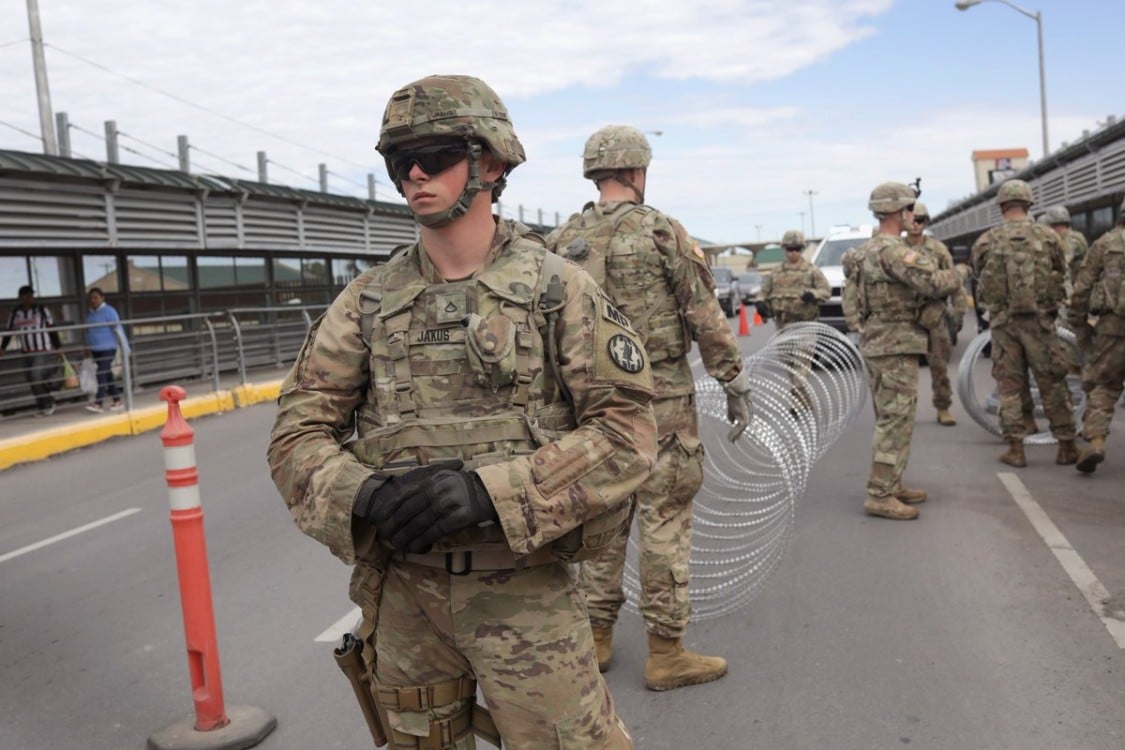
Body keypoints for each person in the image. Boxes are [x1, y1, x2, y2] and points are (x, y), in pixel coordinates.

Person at [268, 75, 659, 750]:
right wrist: (362, 494)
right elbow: (295, 432)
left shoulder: (557, 289)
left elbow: (626, 433)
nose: (415, 173)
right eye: (399, 161)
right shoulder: (367, 301)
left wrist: (490, 492)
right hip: (404, 600)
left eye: (437, 153)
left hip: (526, 596)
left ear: (492, 162)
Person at [545, 125, 754, 691]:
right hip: (659, 394)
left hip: (588, 401)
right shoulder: (661, 231)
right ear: (638, 172)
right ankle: (666, 653)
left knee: (602, 519)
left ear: (594, 172)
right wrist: (732, 379)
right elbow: (703, 313)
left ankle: (597, 638)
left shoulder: (562, 241)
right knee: (664, 517)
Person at [851, 182, 970, 520]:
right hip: (895, 342)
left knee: (892, 418)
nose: (912, 216)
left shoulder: (866, 250)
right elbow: (932, 282)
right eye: (908, 210)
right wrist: (960, 272)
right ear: (896, 212)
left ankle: (892, 481)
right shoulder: (893, 251)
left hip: (880, 342)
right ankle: (880, 494)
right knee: (895, 420)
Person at [971, 179, 1077, 467]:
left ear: (1002, 206)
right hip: (1041, 323)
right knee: (1052, 382)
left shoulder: (986, 240)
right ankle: (1066, 445)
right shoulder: (1049, 237)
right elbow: (1061, 271)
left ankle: (1016, 449)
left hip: (1004, 325)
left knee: (1009, 386)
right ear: (1029, 205)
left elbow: (979, 274)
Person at [1067, 196, 1125, 474]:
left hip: (1112, 328)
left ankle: (1096, 442)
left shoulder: (1103, 244)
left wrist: (1079, 326)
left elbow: (1082, 289)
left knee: (1105, 385)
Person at [903, 202, 968, 426]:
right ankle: (904, 412)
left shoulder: (938, 249)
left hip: (934, 313)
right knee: (904, 369)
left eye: (920, 220)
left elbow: (954, 281)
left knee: (939, 365)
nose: (915, 224)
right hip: (905, 316)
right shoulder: (897, 249)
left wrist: (959, 312)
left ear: (926, 222)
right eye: (912, 219)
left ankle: (943, 406)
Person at [756, 229, 830, 412]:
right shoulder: (776, 272)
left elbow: (826, 291)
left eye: (797, 249)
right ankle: (804, 402)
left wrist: (812, 294)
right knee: (790, 367)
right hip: (783, 325)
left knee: (801, 367)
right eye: (790, 249)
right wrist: (760, 303)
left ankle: (796, 406)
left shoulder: (811, 271)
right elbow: (764, 292)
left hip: (805, 326)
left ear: (801, 249)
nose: (793, 253)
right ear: (785, 250)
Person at [2, 285, 61, 416]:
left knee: (36, 377)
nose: (29, 298)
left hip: (41, 350)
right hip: (26, 351)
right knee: (31, 379)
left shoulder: (41, 310)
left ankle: (48, 403)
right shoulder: (15, 313)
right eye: (26, 295)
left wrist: (58, 347)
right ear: (20, 297)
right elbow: (9, 331)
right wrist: (3, 348)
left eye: (31, 295)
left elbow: (52, 328)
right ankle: (43, 405)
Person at [83, 287, 129, 413]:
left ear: (102, 298)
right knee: (107, 374)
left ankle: (99, 402)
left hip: (109, 348)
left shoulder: (109, 311)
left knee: (101, 372)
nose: (93, 301)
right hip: (95, 349)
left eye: (96, 298)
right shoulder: (90, 314)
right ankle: (117, 400)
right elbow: (88, 331)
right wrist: (87, 346)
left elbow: (118, 329)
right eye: (91, 298)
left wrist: (125, 347)